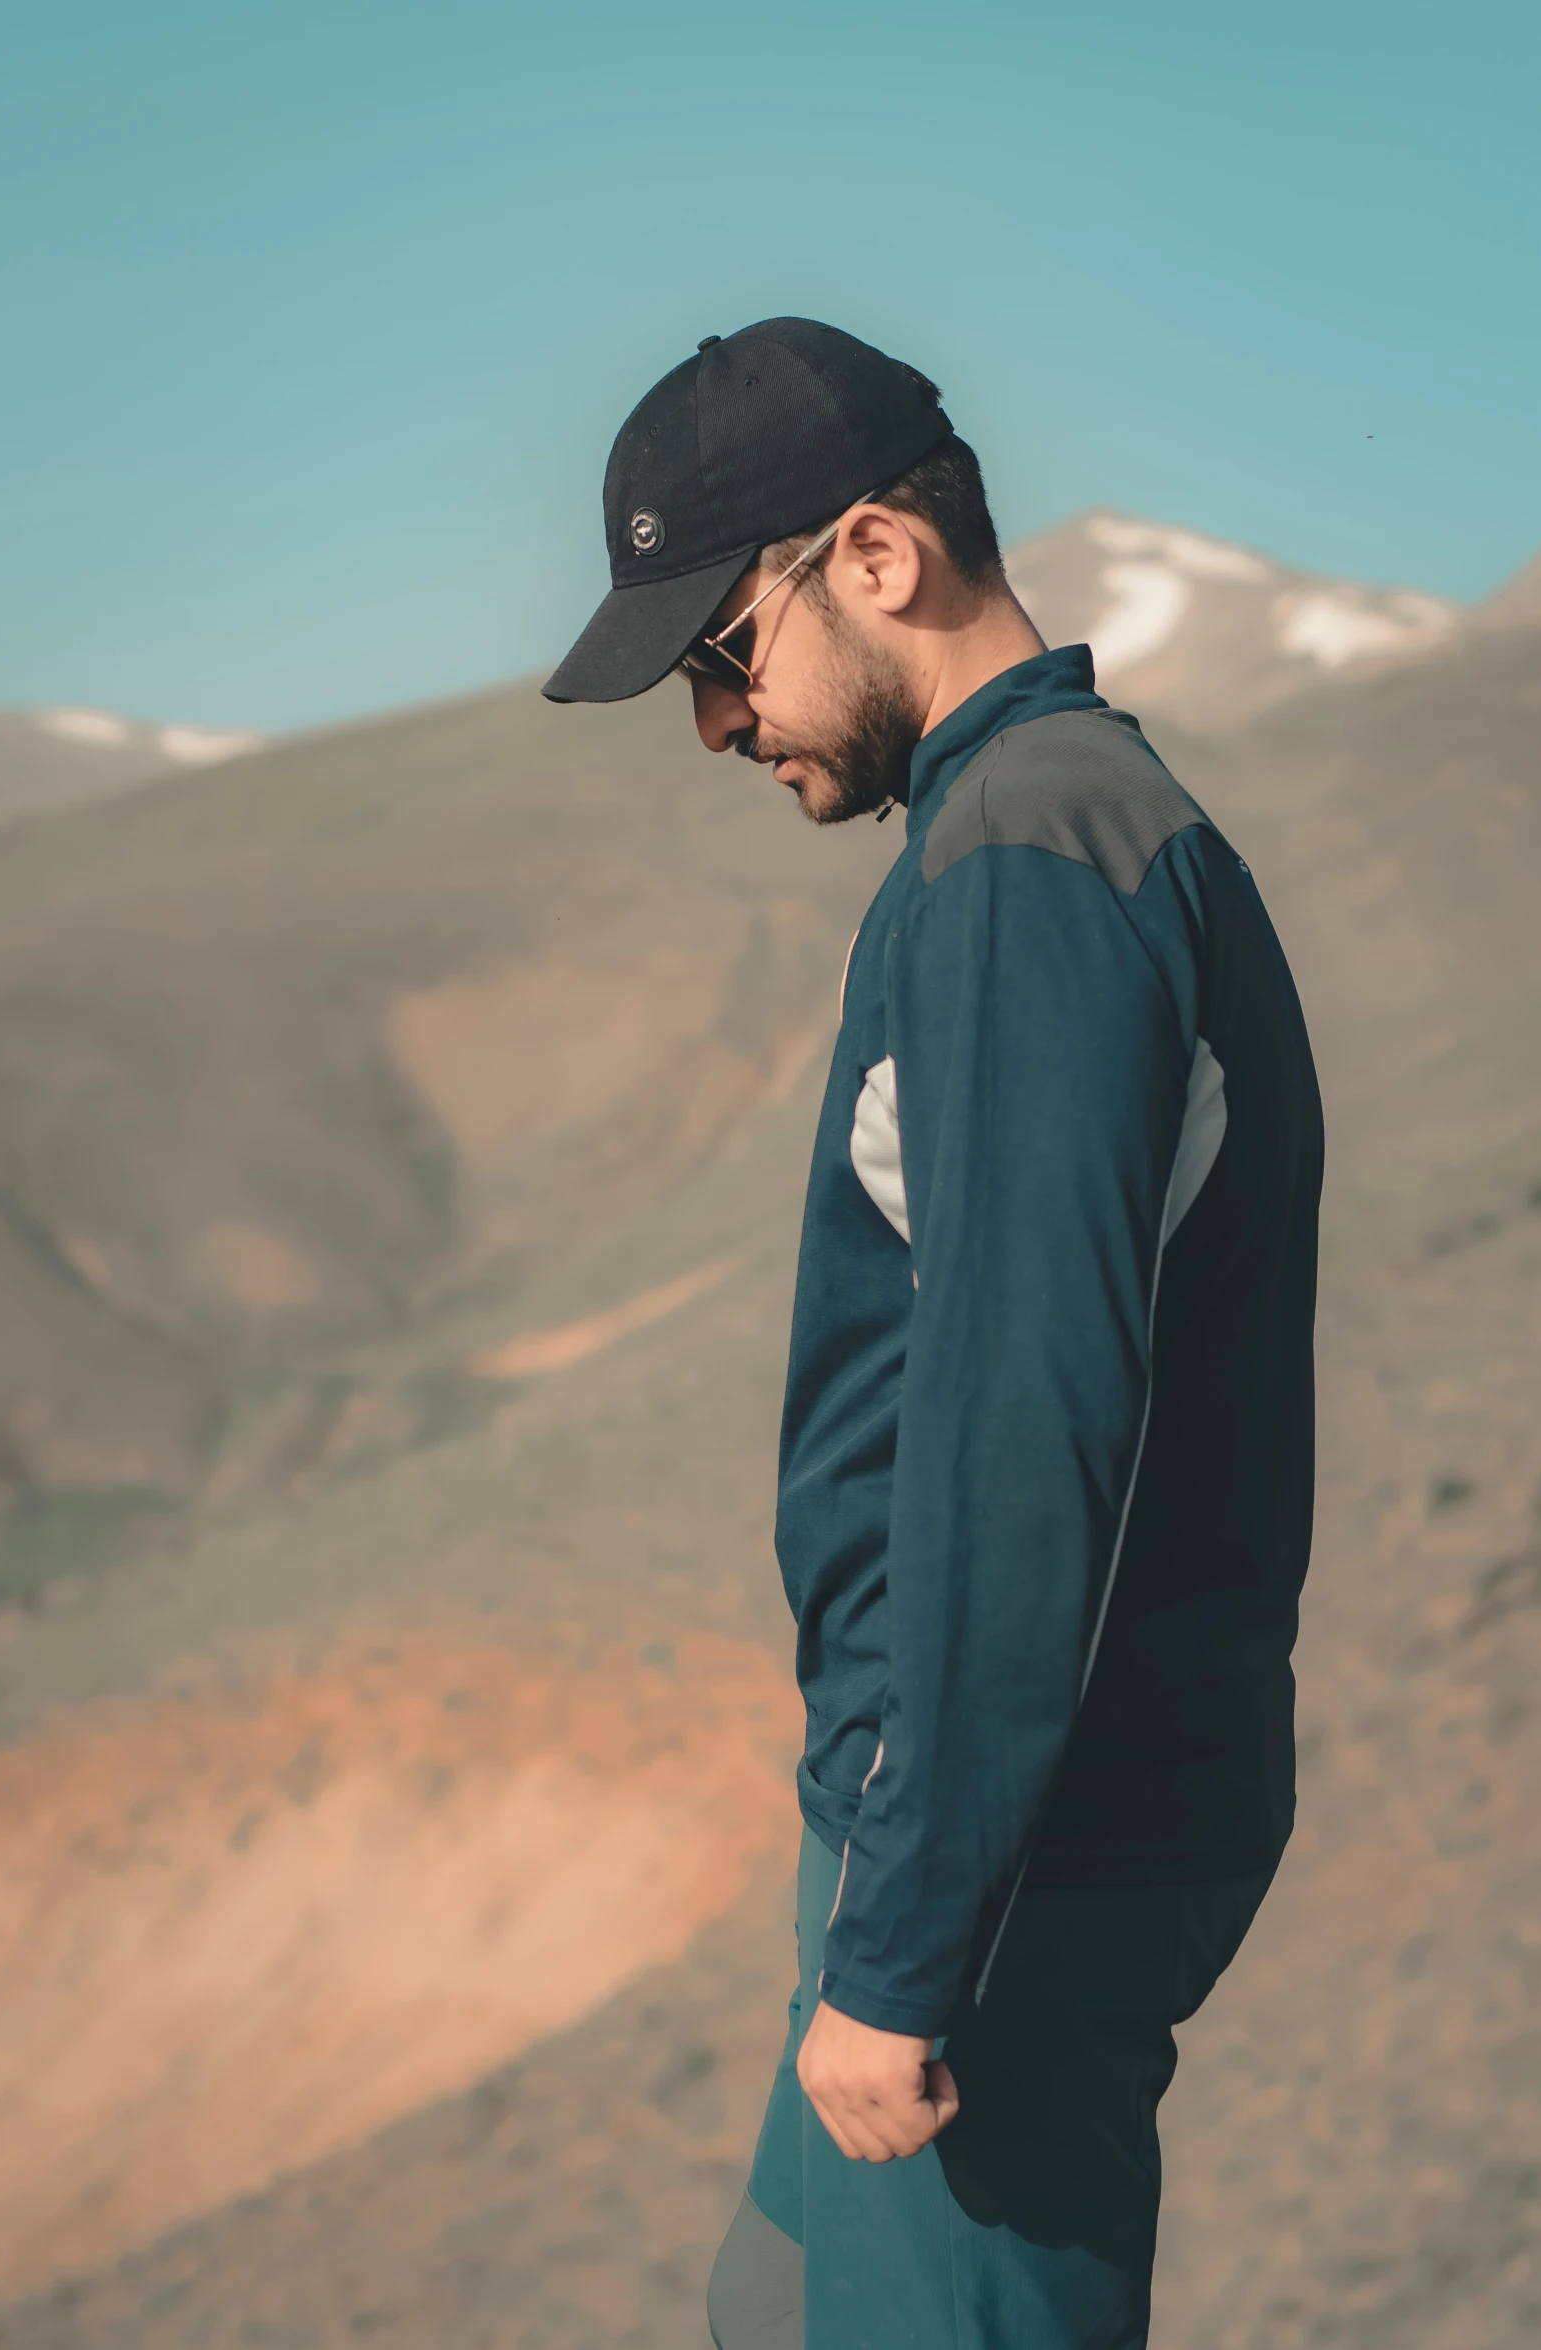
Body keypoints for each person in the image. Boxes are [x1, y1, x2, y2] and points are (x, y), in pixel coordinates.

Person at [544, 319, 1323, 2350]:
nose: (717, 727)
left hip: (1008, 1873)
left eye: (720, 654)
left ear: (874, 555)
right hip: (975, 1831)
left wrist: (904, 1947)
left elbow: (1020, 1420)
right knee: (773, 2309)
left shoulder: (1029, 867)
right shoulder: (1031, 839)